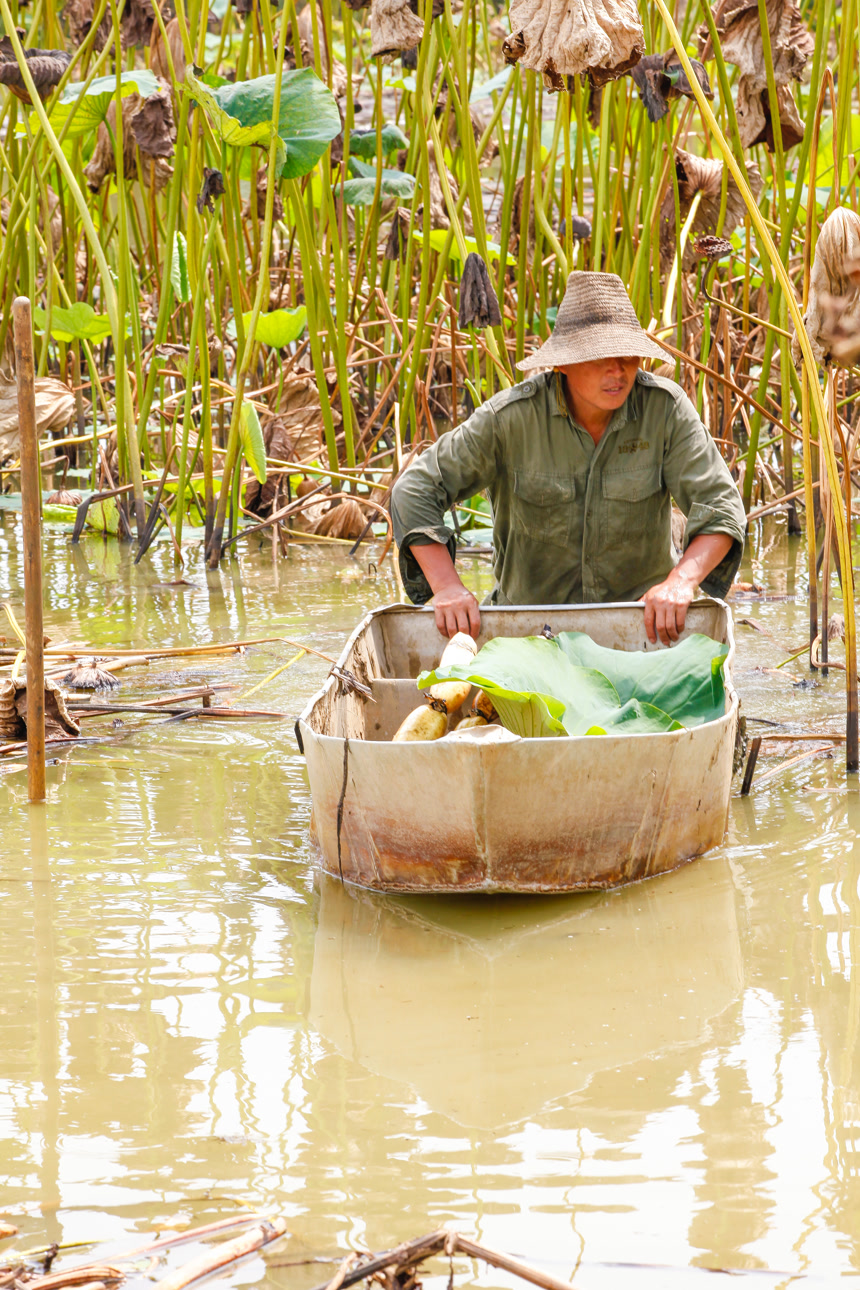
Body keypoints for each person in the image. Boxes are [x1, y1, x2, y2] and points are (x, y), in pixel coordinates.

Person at [390, 271, 746, 646]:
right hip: (527, 634)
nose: (617, 371)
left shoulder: (666, 411)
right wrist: (447, 587)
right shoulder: (510, 419)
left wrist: (681, 582)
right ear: (562, 364)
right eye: (598, 357)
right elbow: (414, 490)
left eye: (627, 356)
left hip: (640, 629)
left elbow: (722, 506)